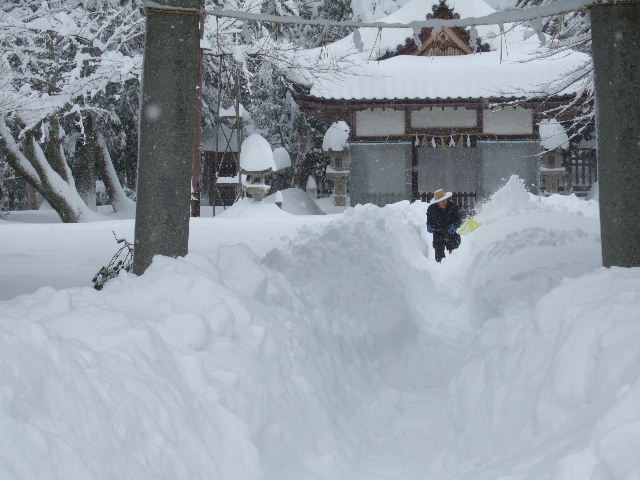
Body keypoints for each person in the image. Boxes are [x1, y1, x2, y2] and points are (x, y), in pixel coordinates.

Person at [426, 188, 462, 263]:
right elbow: (429, 221)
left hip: (452, 233)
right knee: (439, 253)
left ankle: (456, 266)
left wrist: (454, 226)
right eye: (441, 200)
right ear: (437, 202)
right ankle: (440, 266)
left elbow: (458, 219)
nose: (444, 201)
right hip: (438, 233)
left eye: (445, 199)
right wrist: (429, 226)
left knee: (455, 252)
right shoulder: (431, 209)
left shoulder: (454, 207)